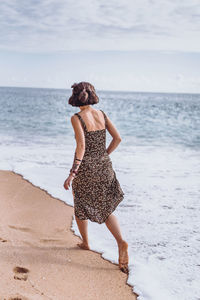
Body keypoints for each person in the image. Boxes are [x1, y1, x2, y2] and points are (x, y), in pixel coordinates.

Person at [63, 81, 129, 274]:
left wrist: (72, 173)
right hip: (104, 165)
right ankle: (120, 241)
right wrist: (105, 154)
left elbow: (81, 147)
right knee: (106, 207)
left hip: (87, 168)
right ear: (92, 95)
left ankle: (85, 242)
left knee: (80, 202)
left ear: (75, 97)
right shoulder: (102, 114)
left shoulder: (77, 118)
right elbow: (118, 138)